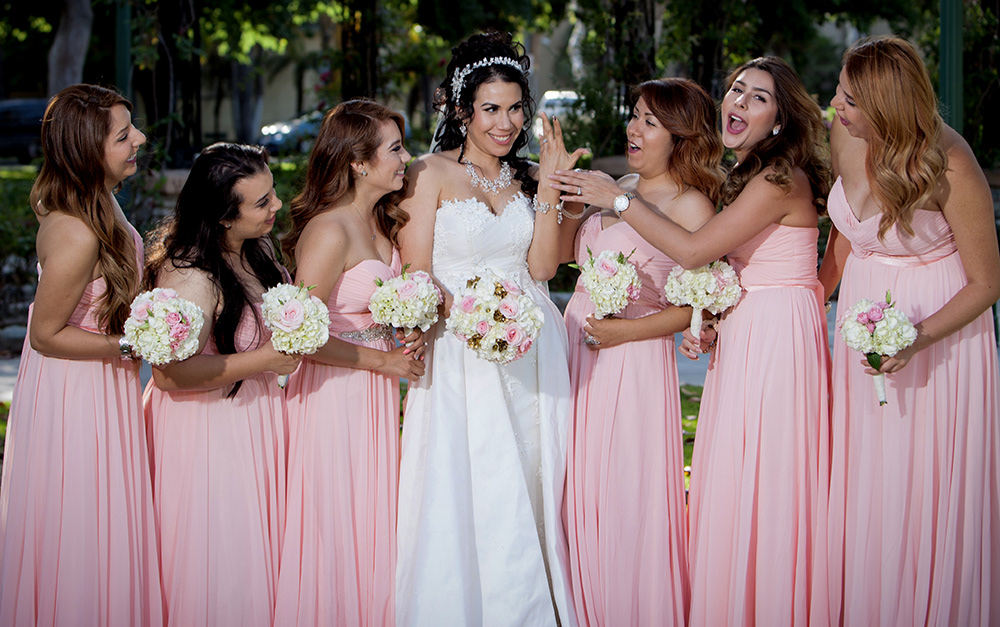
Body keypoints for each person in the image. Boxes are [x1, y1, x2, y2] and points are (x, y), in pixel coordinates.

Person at [552, 56, 832, 625]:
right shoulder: (747, 178)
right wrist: (711, 317)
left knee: (769, 475)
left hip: (771, 339)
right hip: (739, 334)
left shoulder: (776, 179)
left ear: (780, 120)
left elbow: (695, 251)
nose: (739, 101)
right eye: (736, 89)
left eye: (758, 97)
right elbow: (718, 274)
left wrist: (619, 202)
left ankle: (767, 602)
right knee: (730, 478)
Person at [394, 31, 586, 626]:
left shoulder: (526, 176)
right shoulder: (428, 174)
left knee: (531, 472)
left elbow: (543, 268)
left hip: (531, 346)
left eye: (515, 108)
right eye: (490, 109)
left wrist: (549, 184)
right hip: (461, 351)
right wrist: (466, 316)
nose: (506, 123)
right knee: (474, 478)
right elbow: (416, 272)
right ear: (461, 111)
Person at [820, 35, 1000, 626]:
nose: (835, 105)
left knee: (918, 483)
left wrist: (916, 337)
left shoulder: (949, 162)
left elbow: (987, 283)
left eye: (850, 100)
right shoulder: (845, 134)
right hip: (860, 328)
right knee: (865, 475)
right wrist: (815, 300)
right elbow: (846, 233)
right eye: (839, 91)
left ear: (888, 106)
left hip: (937, 338)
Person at [558, 78, 722, 626]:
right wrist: (564, 193)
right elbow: (560, 258)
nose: (633, 128)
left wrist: (624, 335)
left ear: (679, 136)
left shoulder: (692, 205)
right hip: (577, 350)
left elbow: (697, 306)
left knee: (623, 490)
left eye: (650, 122)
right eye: (634, 115)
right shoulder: (619, 183)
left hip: (631, 360)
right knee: (574, 485)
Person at [0, 84, 162, 626]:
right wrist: (133, 343)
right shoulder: (75, 230)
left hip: (100, 378)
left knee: (105, 522)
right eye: (123, 135)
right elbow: (45, 334)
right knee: (84, 523)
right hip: (77, 392)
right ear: (88, 150)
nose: (140, 139)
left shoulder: (100, 199)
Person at [274, 99, 424, 626]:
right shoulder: (329, 230)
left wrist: (408, 329)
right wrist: (383, 363)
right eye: (395, 149)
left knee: (372, 519)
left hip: (374, 395)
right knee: (335, 523)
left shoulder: (384, 222)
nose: (405, 159)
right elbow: (298, 337)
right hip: (332, 396)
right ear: (359, 162)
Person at [142, 142, 300, 627]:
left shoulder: (258, 249)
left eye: (273, 192)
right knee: (221, 556)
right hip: (207, 430)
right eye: (262, 202)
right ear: (224, 216)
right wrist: (265, 360)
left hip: (255, 417)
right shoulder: (190, 275)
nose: (277, 205)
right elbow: (168, 374)